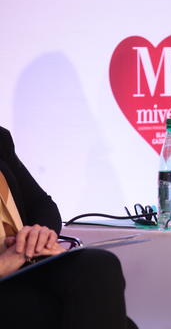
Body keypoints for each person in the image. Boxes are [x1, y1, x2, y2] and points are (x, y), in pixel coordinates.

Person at [0, 126, 137, 329]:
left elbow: (42, 204)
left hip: (24, 265)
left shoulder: (1, 138)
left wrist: (38, 235)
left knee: (98, 266)